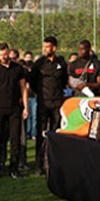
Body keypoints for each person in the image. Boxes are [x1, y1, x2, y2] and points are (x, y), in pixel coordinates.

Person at [0, 43, 29, 180]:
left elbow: (23, 89)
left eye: (5, 54)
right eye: (0, 55)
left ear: (9, 53)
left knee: (15, 140)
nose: (3, 57)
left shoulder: (18, 69)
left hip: (14, 109)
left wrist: (26, 107)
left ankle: (14, 168)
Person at [30, 36, 67, 175]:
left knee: (55, 133)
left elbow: (64, 81)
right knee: (41, 134)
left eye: (47, 47)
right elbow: (32, 82)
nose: (44, 49)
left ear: (54, 48)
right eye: (44, 46)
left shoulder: (61, 62)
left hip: (57, 104)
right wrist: (41, 94)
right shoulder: (38, 64)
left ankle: (53, 163)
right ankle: (39, 165)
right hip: (43, 103)